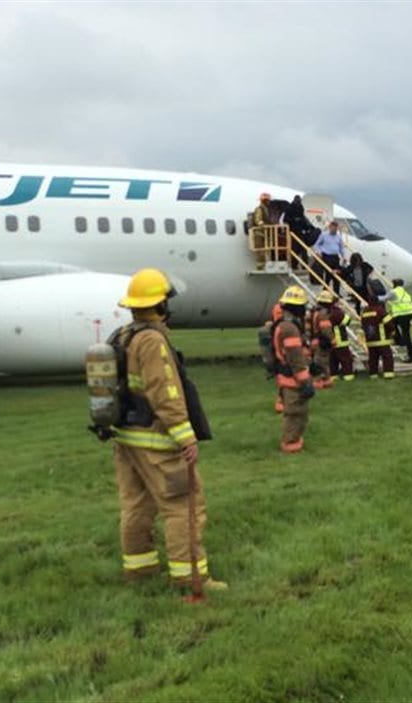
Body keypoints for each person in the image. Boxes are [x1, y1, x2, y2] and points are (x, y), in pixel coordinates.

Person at [110, 268, 225, 590]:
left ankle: (140, 570)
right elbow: (165, 391)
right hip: (157, 441)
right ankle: (190, 577)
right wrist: (184, 435)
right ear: (160, 306)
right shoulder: (152, 341)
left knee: (136, 505)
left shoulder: (124, 335)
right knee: (182, 506)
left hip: (127, 438)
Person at [273, 286, 316, 452]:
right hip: (294, 379)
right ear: (296, 308)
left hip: (290, 377)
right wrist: (305, 381)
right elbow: (295, 359)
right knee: (296, 413)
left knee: (296, 413)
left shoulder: (286, 325)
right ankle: (290, 444)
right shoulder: (289, 329)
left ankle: (293, 440)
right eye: (302, 306)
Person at [360, 295, 396, 379]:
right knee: (387, 357)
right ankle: (388, 374)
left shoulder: (364, 312)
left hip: (370, 340)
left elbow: (363, 324)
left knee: (373, 359)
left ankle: (373, 375)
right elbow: (389, 324)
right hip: (382, 340)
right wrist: (393, 332)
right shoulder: (380, 310)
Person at [389, 278, 412, 362]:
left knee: (405, 335)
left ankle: (411, 355)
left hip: (401, 314)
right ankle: (400, 340)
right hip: (409, 313)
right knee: (394, 324)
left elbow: (384, 298)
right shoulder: (404, 292)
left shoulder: (394, 291)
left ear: (395, 284)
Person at [309, 291, 336, 388]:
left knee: (318, 361)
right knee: (321, 363)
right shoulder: (323, 314)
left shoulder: (313, 312)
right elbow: (325, 329)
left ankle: (326, 381)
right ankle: (318, 382)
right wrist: (332, 339)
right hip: (321, 341)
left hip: (313, 340)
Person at [313, 222, 347, 295]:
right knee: (328, 275)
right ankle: (325, 291)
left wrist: (344, 256)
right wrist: (318, 252)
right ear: (330, 227)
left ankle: (336, 292)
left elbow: (341, 248)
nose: (334, 230)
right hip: (326, 256)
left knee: (337, 275)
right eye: (333, 228)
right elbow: (316, 244)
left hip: (335, 257)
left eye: (335, 228)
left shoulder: (338, 237)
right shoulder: (324, 235)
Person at [327, 297, 356, 381]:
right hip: (340, 339)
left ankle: (334, 376)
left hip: (329, 340)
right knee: (346, 359)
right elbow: (347, 321)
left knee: (333, 360)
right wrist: (345, 313)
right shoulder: (337, 312)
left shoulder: (325, 312)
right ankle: (348, 376)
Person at [250, 192, 274, 267]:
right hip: (259, 233)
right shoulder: (259, 209)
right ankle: (261, 265)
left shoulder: (266, 209)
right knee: (260, 250)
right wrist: (263, 225)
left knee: (266, 249)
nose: (269, 202)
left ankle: (265, 263)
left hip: (265, 233)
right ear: (265, 201)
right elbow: (258, 220)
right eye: (268, 201)